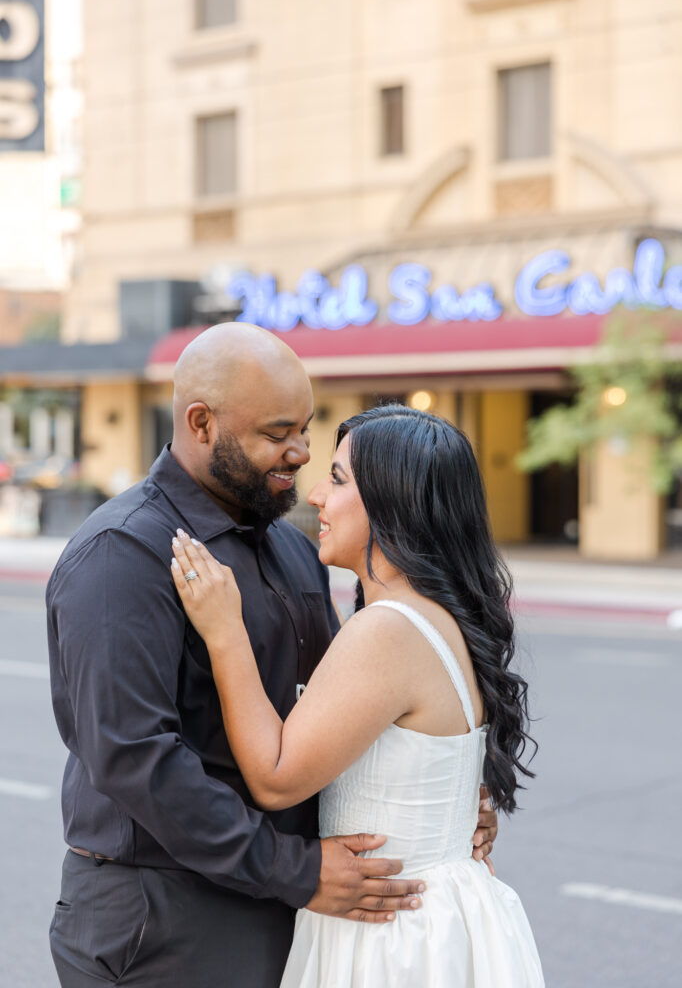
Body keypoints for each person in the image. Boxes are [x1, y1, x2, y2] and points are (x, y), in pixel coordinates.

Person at [46, 324, 497, 988]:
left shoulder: (290, 549)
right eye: (277, 433)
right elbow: (135, 758)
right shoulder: (124, 555)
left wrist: (444, 804)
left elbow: (345, 712)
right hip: (163, 915)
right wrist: (295, 870)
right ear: (202, 424)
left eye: (307, 431)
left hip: (283, 903)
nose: (301, 454)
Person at [170, 403, 544, 988]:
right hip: (437, 914)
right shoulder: (436, 614)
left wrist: (225, 632)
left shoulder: (389, 627)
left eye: (339, 479)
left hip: (391, 932)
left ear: (395, 503)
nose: (315, 495)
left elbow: (274, 776)